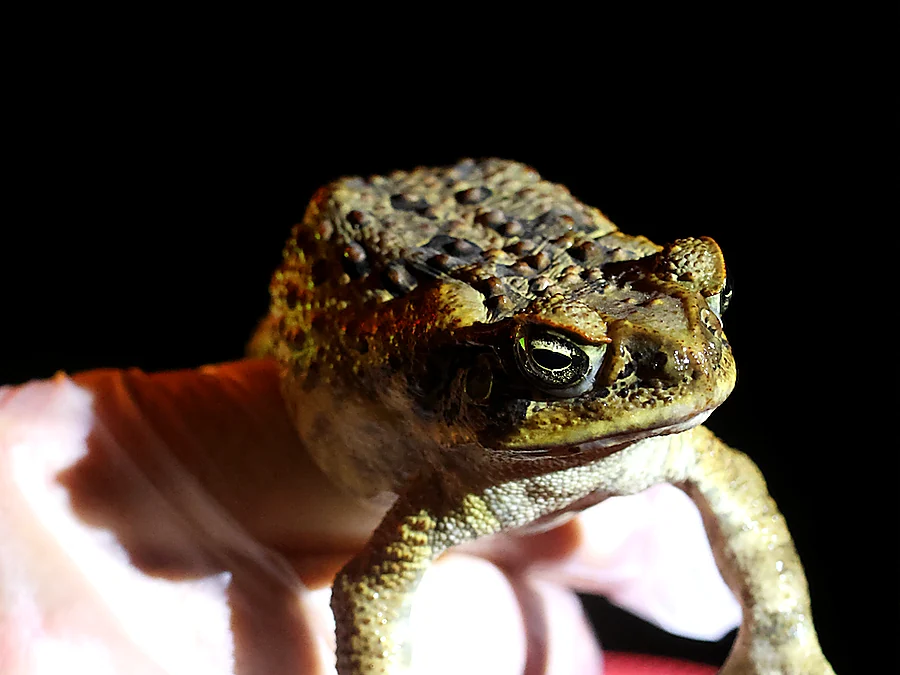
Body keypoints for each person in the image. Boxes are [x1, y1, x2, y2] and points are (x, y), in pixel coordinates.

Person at [0, 359, 739, 674]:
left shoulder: (666, 429)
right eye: (557, 357)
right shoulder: (450, 461)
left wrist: (781, 640)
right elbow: (368, 586)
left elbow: (734, 485)